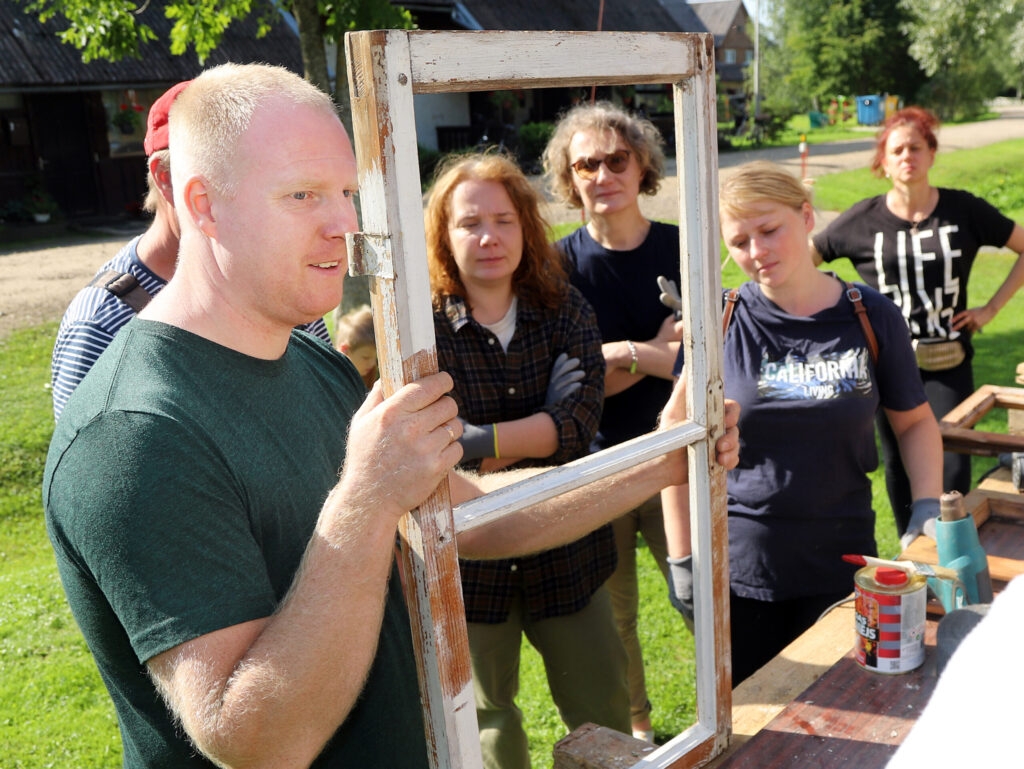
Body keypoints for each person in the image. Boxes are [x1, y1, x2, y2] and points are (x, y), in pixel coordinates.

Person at [42, 62, 741, 769]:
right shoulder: (134, 431)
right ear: (203, 204)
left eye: (347, 192)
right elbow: (259, 741)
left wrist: (667, 456)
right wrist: (368, 496)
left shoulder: (307, 359)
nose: (346, 223)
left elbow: (466, 513)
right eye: (303, 194)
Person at [666, 161, 941, 685]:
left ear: (807, 216)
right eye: (740, 241)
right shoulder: (717, 321)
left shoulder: (870, 314)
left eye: (769, 230)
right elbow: (675, 450)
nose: (757, 252)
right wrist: (683, 560)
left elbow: (915, 423)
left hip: (842, 563)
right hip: (742, 572)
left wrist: (925, 506)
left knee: (844, 721)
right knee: (753, 729)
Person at [425, 152, 626, 767]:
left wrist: (479, 441)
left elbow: (577, 427)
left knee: (604, 714)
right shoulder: (422, 329)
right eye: (470, 223)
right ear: (443, 235)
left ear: (526, 227)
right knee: (488, 724)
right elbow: (436, 451)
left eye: (504, 220)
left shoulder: (566, 310)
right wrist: (530, 430)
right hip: (472, 567)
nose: (489, 237)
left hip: (569, 549)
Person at [49, 79, 331, 420]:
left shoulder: (281, 274)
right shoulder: (103, 321)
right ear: (167, 178)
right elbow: (87, 460)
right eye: (226, 174)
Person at [811, 106, 1024, 545]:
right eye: (896, 150)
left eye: (915, 147)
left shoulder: (963, 209)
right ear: (883, 162)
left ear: (931, 153)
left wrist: (989, 310)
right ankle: (915, 558)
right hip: (887, 366)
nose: (907, 155)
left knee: (951, 469)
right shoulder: (861, 220)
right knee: (898, 466)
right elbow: (802, 265)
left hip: (948, 360)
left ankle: (955, 554)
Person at [543, 100, 682, 741]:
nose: (603, 174)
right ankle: (640, 733)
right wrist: (648, 352)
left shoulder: (682, 247)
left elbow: (707, 357)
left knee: (697, 593)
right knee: (615, 614)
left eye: (616, 159)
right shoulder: (553, 266)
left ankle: (739, 698)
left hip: (677, 453)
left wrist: (612, 359)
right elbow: (566, 377)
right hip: (594, 461)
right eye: (586, 164)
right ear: (569, 180)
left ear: (642, 162)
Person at [333, 304, 378, 388]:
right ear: (345, 349)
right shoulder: (335, 381)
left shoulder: (367, 374)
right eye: (366, 357)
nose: (372, 363)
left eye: (375, 357)